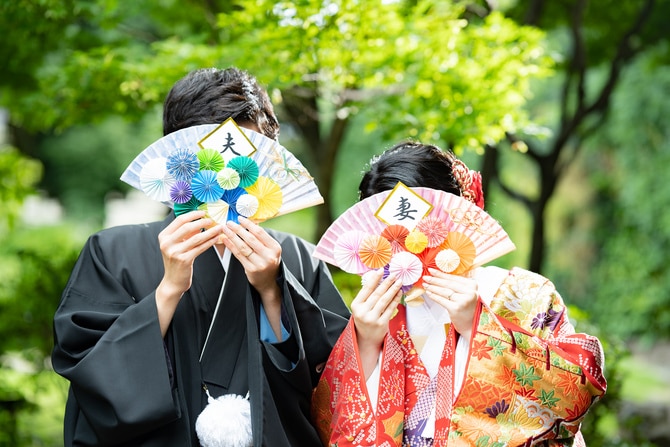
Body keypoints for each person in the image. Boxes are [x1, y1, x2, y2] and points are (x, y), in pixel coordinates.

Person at [51, 67, 351, 447]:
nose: (229, 176)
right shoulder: (112, 253)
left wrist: (273, 293)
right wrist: (168, 290)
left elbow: (331, 381)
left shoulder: (296, 258)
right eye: (211, 158)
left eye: (246, 158)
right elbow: (88, 370)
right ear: (176, 161)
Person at [312, 142, 607, 446]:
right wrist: (365, 344)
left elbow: (574, 392)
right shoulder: (377, 310)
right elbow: (325, 422)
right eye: (390, 236)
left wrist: (481, 328)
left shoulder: (523, 294)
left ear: (460, 212)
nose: (409, 249)